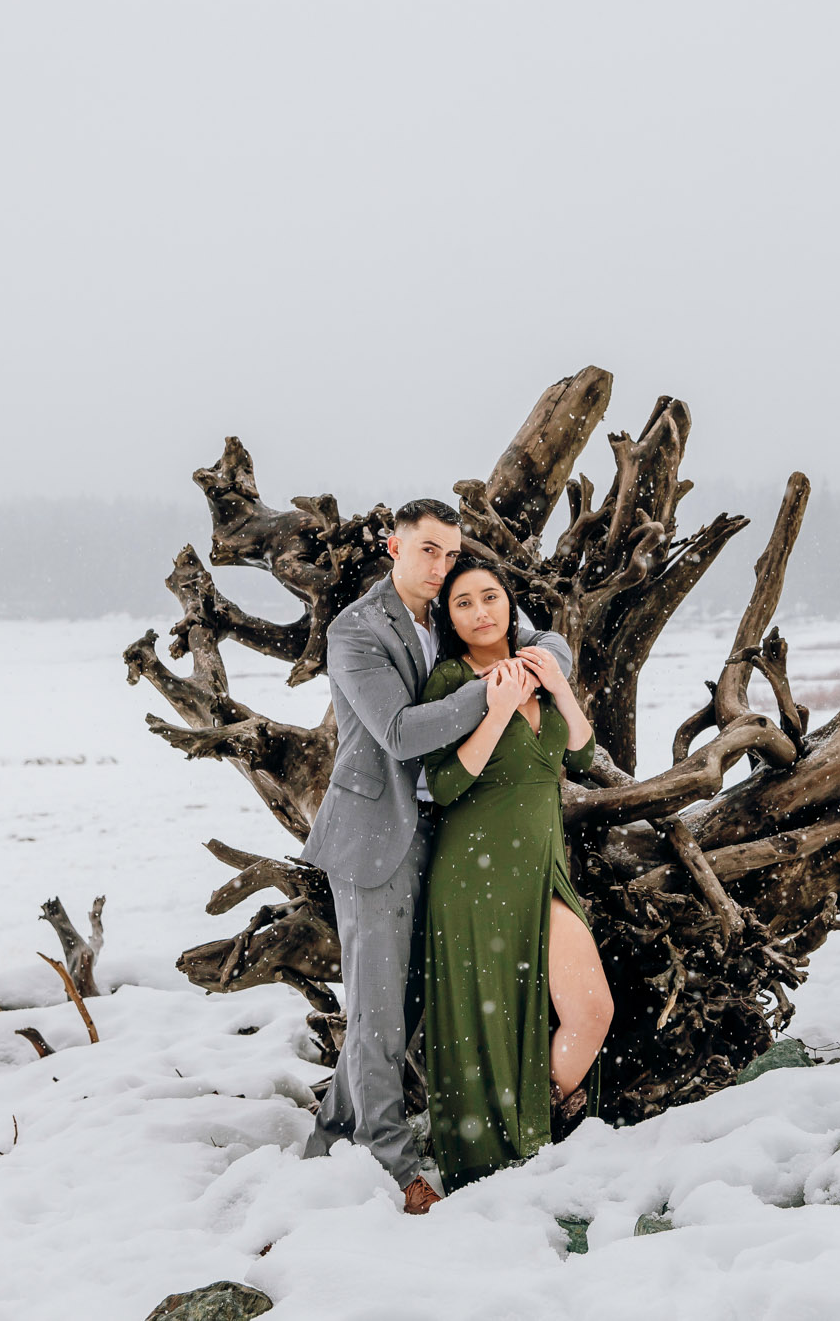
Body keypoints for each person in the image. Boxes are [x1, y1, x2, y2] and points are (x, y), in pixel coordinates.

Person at [301, 499, 573, 1215]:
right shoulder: (356, 629)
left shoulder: (444, 616)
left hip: (440, 832)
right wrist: (496, 691)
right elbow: (397, 730)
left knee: (406, 1002)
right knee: (379, 1009)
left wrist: (546, 663)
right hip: (376, 834)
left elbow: (539, 633)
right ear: (394, 545)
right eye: (426, 550)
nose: (440, 567)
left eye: (450, 554)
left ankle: (330, 1143)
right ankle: (394, 1168)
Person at [418, 558, 614, 1189]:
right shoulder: (450, 680)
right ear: (449, 619)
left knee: (591, 1011)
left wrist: (556, 687)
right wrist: (497, 708)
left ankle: (534, 1123)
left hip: (542, 867)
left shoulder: (539, 662)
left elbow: (581, 751)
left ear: (510, 603)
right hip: (474, 874)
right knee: (490, 1022)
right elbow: (444, 785)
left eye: (490, 597)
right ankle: (504, 1161)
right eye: (464, 603)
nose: (481, 612)